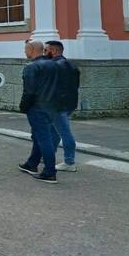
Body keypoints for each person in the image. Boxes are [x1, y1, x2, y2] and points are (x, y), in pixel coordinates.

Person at [18, 39, 61, 184]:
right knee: (39, 136)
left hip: (37, 107)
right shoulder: (55, 65)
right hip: (52, 106)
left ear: (31, 50)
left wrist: (23, 107)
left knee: (43, 138)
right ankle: (32, 164)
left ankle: (50, 172)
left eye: (25, 49)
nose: (24, 52)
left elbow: (29, 92)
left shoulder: (31, 67)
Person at [45, 40, 81, 172]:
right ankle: (49, 154)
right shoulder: (72, 65)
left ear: (53, 51)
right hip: (70, 103)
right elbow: (76, 85)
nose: (44, 53)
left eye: (46, 50)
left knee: (64, 132)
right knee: (56, 130)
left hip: (56, 105)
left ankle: (69, 162)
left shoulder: (52, 66)